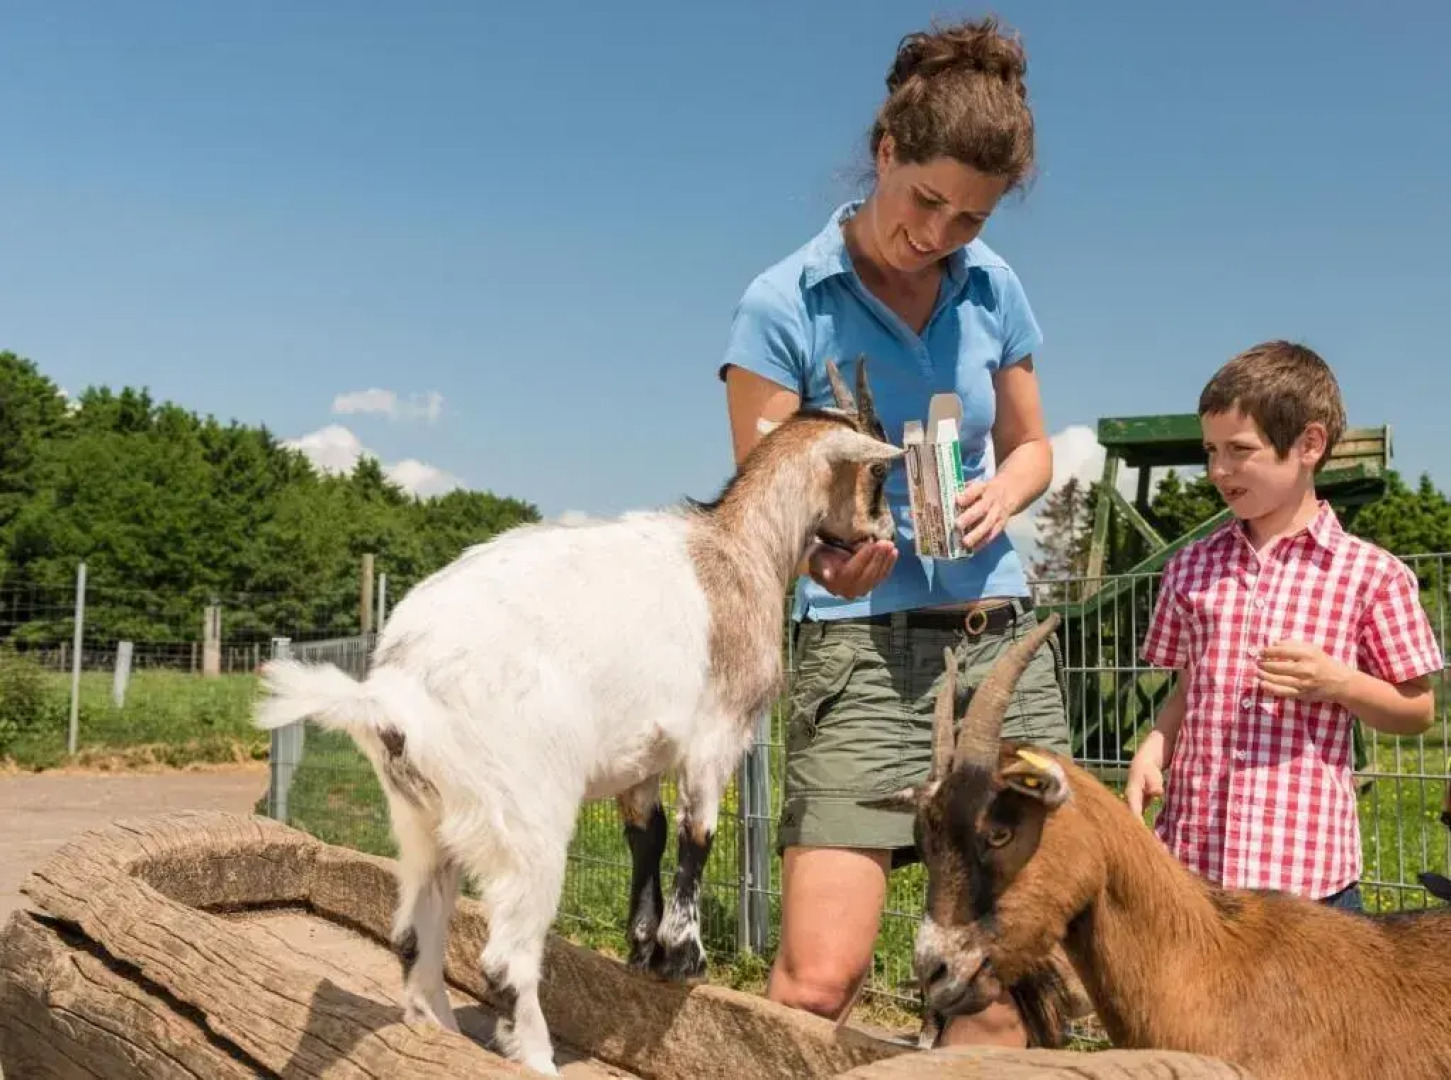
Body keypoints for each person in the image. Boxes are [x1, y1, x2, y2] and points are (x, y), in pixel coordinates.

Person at [716, 16, 1072, 1047]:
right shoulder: (782, 304)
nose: (939, 233)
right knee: (819, 984)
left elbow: (1033, 445)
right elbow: (765, 507)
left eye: (969, 216)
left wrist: (1005, 491)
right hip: (860, 652)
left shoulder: (992, 286)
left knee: (997, 995)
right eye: (925, 200)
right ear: (885, 154)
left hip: (994, 640)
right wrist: (835, 553)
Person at [1127, 341, 1444, 911]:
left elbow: (1418, 709)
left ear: (1309, 444)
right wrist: (1154, 748)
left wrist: (1338, 682)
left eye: (1240, 450)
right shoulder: (1190, 567)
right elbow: (1186, 691)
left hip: (1307, 881)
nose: (1218, 470)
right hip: (1195, 865)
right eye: (1211, 450)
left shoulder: (1371, 575)